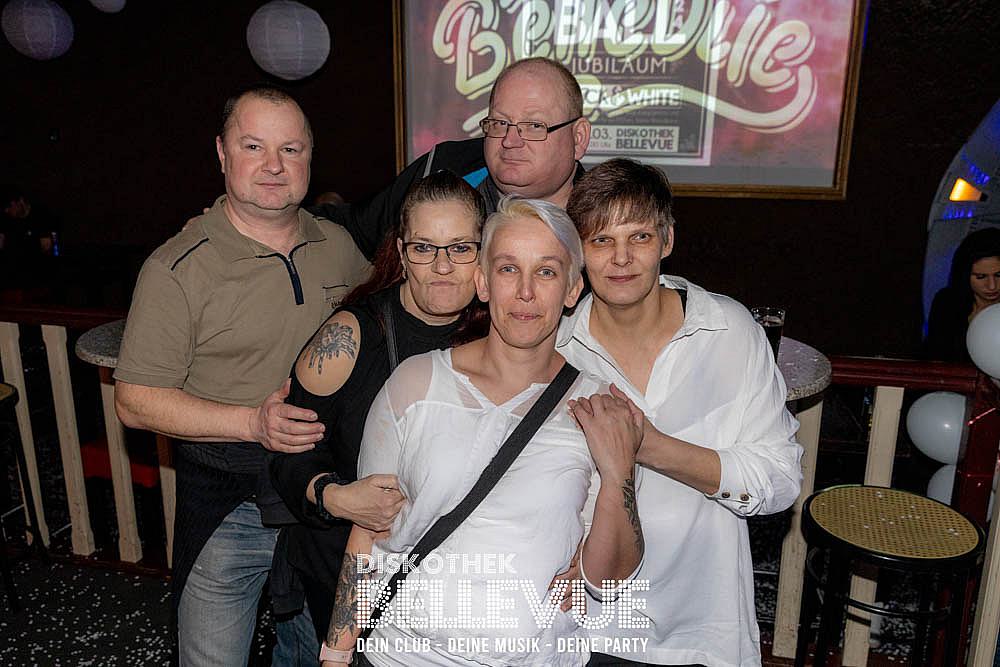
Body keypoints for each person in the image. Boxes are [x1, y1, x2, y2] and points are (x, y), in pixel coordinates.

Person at [320, 197, 644, 667]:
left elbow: (607, 581)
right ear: (483, 282)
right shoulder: (416, 382)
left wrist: (618, 475)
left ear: (573, 288)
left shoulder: (598, 408)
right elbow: (369, 532)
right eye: (509, 269)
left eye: (547, 272)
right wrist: (335, 653)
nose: (526, 292)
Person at [114, 86, 373, 666]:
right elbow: (134, 400)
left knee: (319, 655)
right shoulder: (176, 268)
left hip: (324, 496)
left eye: (291, 149)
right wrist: (253, 423)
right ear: (221, 152)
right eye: (254, 146)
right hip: (229, 503)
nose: (274, 165)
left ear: (311, 157)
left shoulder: (339, 247)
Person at [559, 158, 802, 667]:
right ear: (579, 252)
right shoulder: (558, 347)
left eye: (639, 237)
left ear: (667, 240)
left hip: (702, 625)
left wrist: (649, 446)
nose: (621, 258)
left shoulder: (729, 331)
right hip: (587, 626)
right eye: (601, 240)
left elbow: (780, 482)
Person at [268, 170, 490, 642]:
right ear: (402, 253)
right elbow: (288, 452)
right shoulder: (349, 337)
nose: (443, 266)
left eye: (460, 248)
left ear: (483, 252)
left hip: (452, 579)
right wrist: (335, 497)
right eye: (425, 248)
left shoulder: (502, 332)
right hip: (346, 575)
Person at [310, 57, 591, 260]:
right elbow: (356, 231)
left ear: (578, 138)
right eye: (499, 123)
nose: (509, 140)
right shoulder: (444, 169)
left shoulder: (606, 224)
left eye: (534, 126)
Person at [925, 227, 1000, 362]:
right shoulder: (947, 303)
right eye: (981, 277)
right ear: (964, 275)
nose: (992, 286)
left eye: (999, 275)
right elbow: (935, 355)